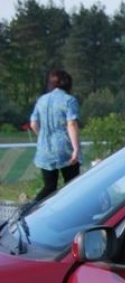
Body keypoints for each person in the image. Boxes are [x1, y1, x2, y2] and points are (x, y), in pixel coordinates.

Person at [30, 69, 81, 202]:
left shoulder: (42, 100)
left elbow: (33, 123)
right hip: (64, 148)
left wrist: (42, 136)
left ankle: (31, 210)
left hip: (45, 149)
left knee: (49, 186)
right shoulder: (69, 100)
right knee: (72, 185)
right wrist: (76, 149)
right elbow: (71, 124)